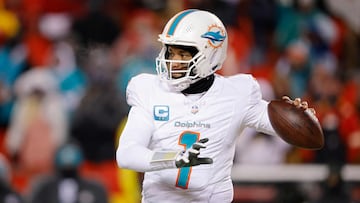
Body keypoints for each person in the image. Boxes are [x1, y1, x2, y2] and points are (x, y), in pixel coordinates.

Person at [116, 9, 315, 203]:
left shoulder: (236, 94)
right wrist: (174, 159)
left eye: (183, 55)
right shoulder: (150, 90)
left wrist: (304, 118)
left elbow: (291, 130)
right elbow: (127, 153)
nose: (173, 61)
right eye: (170, 51)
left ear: (211, 55)